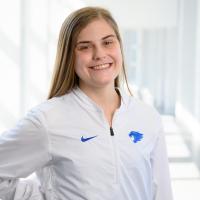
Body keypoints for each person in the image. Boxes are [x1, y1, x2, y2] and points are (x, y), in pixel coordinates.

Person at [0, 6, 173, 200]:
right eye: (85, 46)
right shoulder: (48, 120)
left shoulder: (147, 117)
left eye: (107, 42)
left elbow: (162, 193)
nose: (99, 54)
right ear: (69, 56)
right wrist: (40, 195)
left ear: (119, 46)